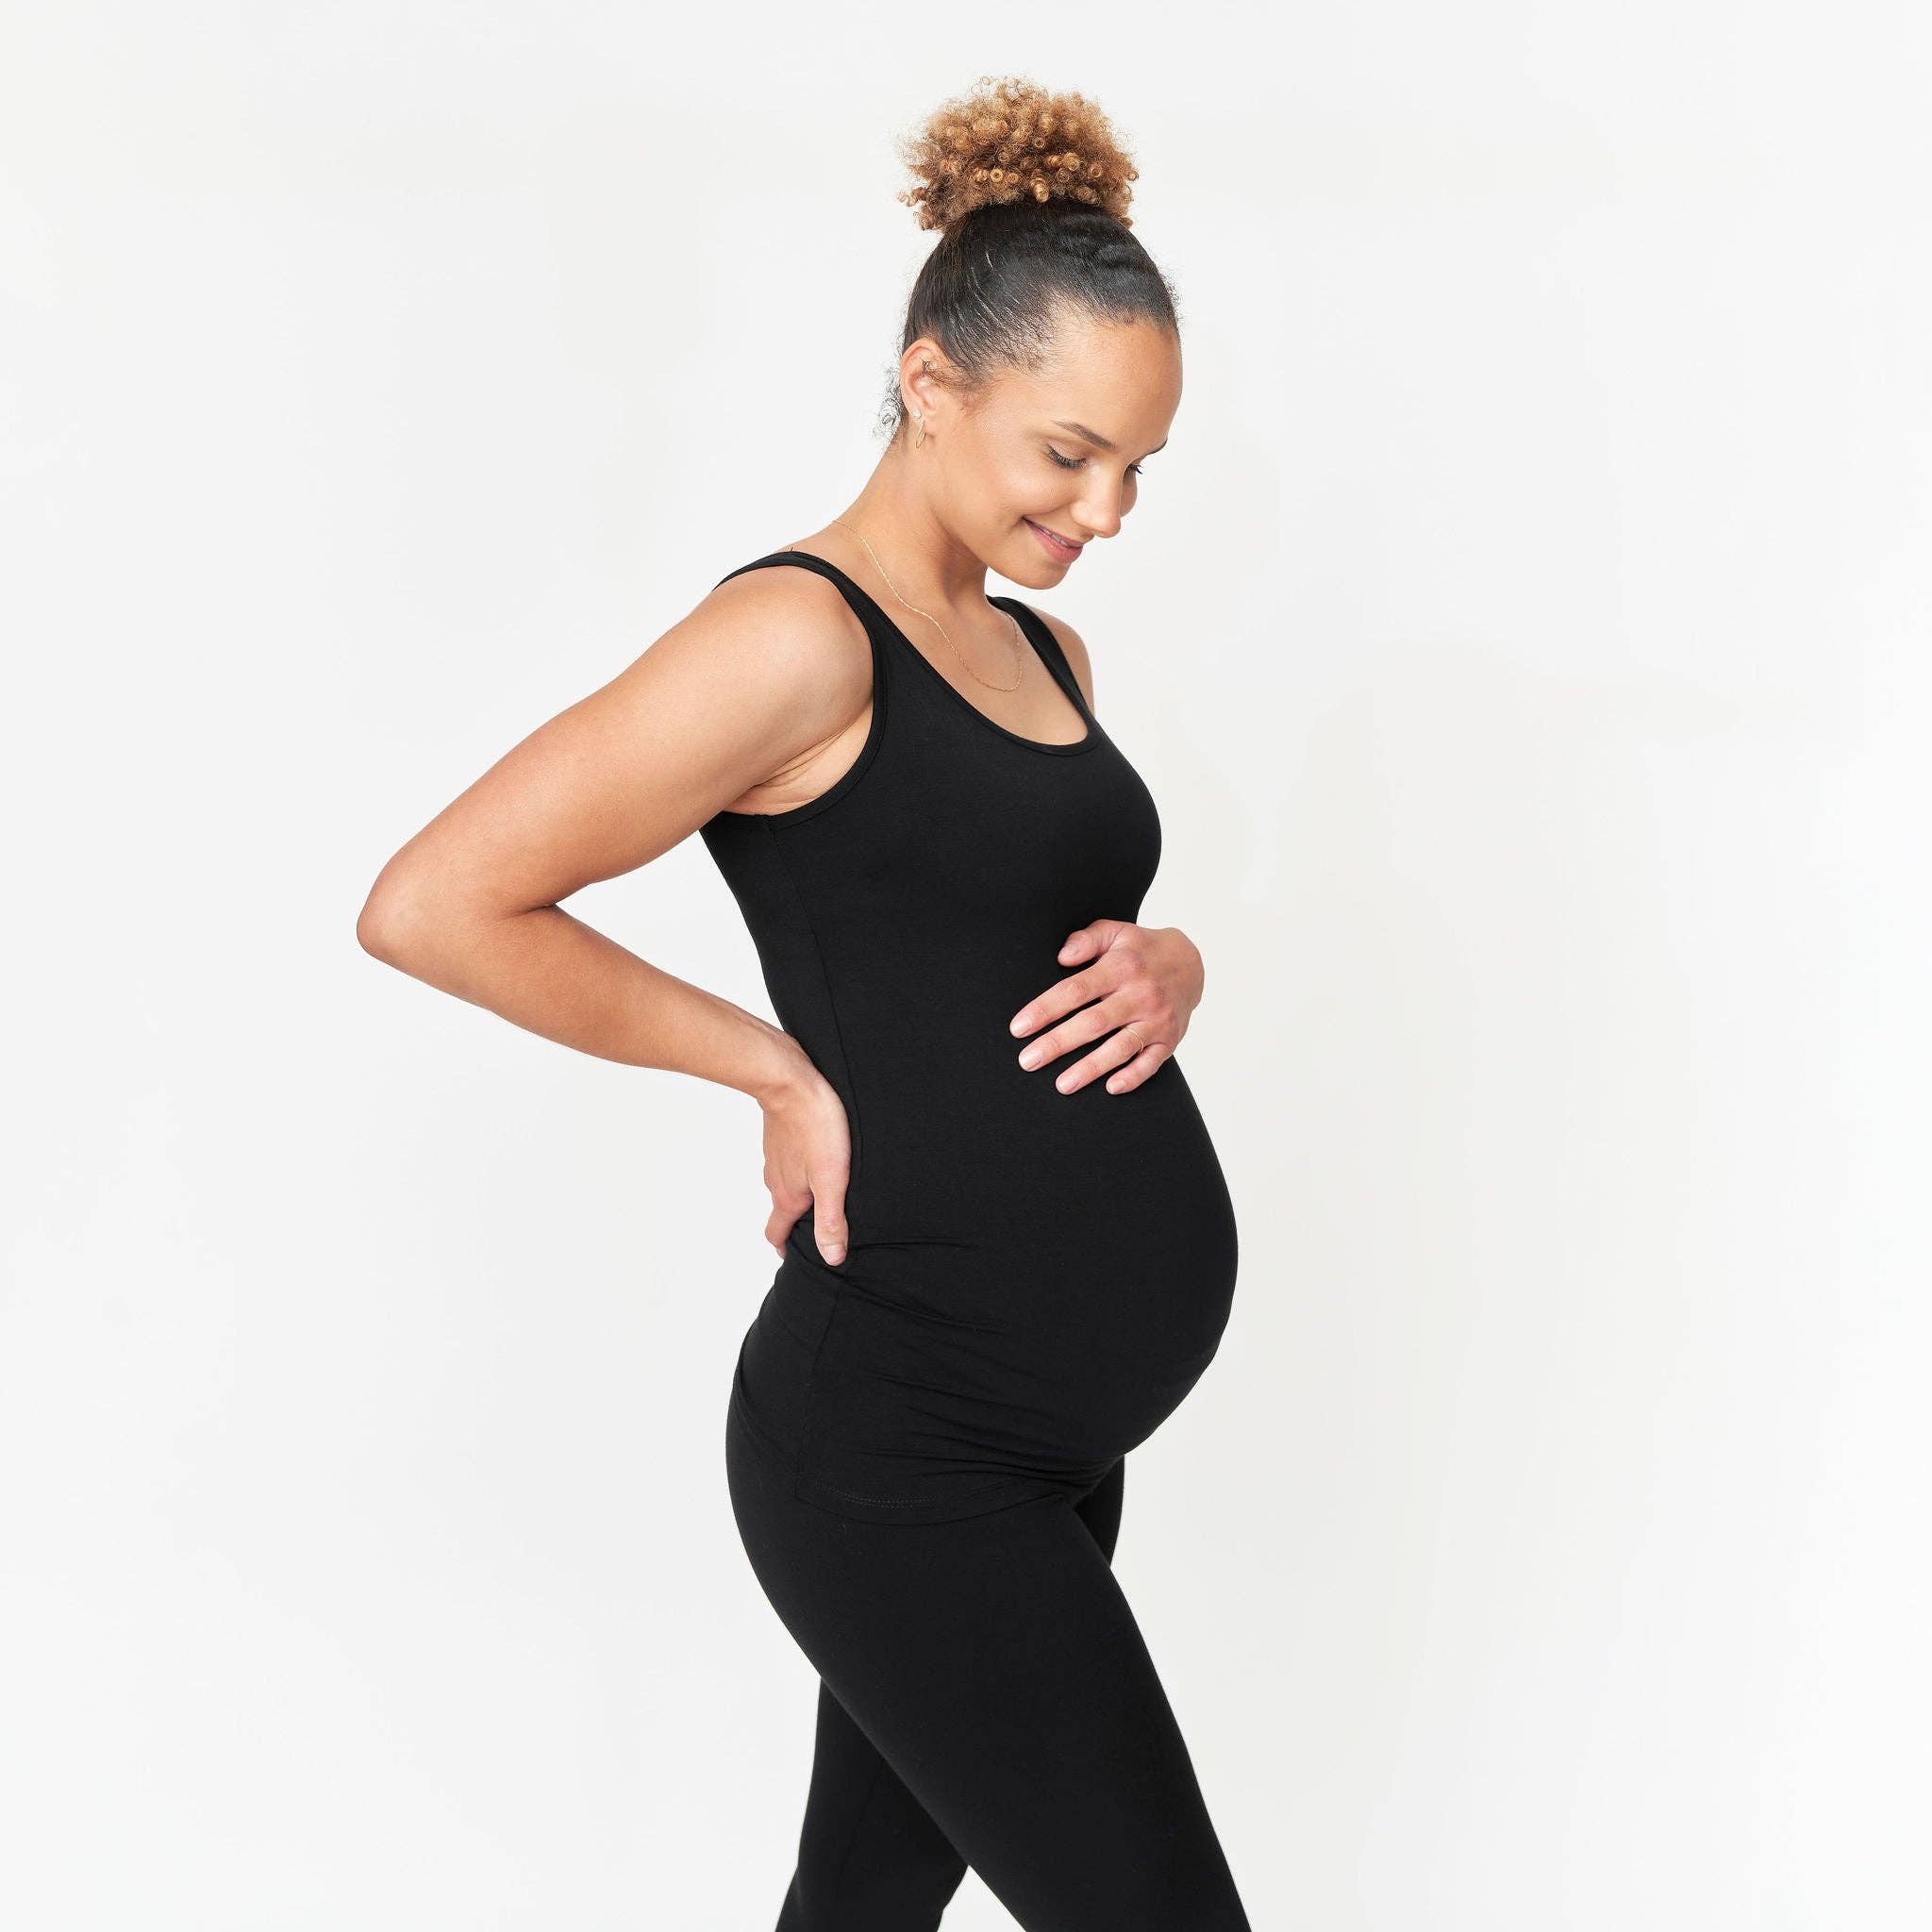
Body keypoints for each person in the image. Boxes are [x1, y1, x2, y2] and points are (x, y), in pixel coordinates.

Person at [358, 75, 1250, 1932]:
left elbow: (1013, 935)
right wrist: (765, 1066)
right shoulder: (794, 638)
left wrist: (1171, 962)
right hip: (901, 1438)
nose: (1107, 509)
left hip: (1040, 1437)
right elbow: (437, 903)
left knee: (854, 1906)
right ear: (933, 383)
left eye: (1139, 468)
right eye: (1070, 452)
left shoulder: (1042, 649)